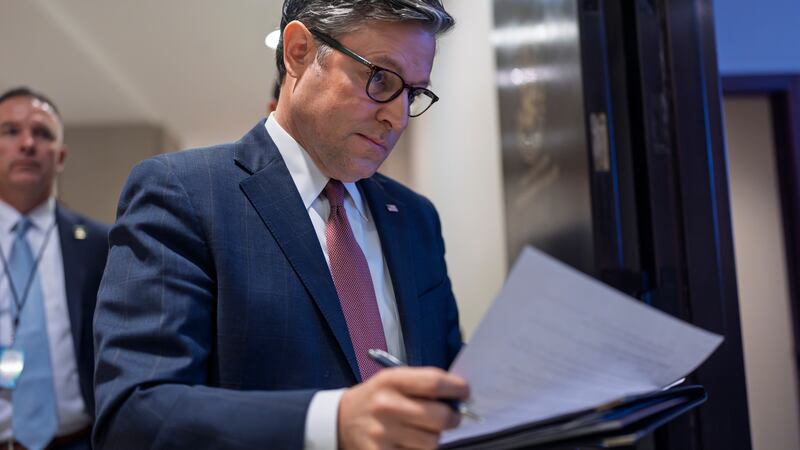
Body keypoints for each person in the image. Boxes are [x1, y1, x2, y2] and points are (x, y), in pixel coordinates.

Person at [93, 1, 467, 449]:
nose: (398, 116)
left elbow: (447, 382)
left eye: (414, 93)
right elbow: (135, 414)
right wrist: (334, 422)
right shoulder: (184, 193)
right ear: (299, 52)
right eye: (381, 79)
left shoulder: (415, 218)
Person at [0, 87, 109, 450]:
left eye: (42, 133)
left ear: (60, 157)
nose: (28, 144)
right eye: (10, 131)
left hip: (79, 440)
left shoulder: (99, 244)